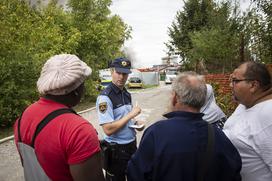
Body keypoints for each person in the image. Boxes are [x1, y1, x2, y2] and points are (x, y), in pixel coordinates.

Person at [127, 71, 241, 181]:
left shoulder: (156, 133)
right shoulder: (219, 136)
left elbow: (135, 174)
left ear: (175, 98)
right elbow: (234, 173)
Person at [13, 54, 105, 181]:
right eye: (83, 83)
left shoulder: (24, 116)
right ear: (76, 90)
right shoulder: (79, 130)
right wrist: (85, 143)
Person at [96, 57, 143, 181]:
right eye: (119, 72)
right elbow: (108, 129)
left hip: (131, 145)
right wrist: (131, 115)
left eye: (125, 73)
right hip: (116, 151)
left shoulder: (126, 94)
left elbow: (125, 119)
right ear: (112, 71)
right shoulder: (105, 97)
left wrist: (136, 123)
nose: (122, 77)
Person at [223, 61, 272, 181]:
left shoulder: (268, 114)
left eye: (235, 81)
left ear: (253, 85)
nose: (230, 85)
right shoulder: (245, 104)